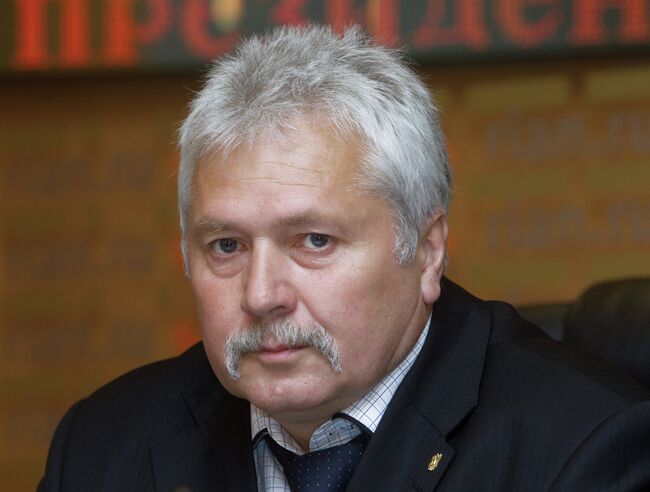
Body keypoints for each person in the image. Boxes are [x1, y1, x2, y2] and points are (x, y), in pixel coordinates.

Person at [39, 25, 650, 492]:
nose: (261, 295)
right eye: (227, 246)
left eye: (314, 241)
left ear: (427, 251)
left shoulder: (583, 450)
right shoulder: (100, 446)